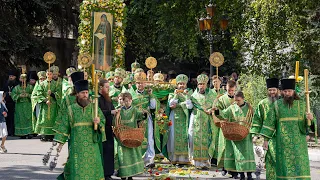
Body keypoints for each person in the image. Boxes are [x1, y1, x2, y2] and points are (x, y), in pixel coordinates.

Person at [260, 79, 313, 179]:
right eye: (285, 91)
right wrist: (265, 140)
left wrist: (310, 119)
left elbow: (308, 124)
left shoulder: (302, 104)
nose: (287, 93)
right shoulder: (277, 105)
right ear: (282, 92)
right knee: (284, 169)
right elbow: (269, 123)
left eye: (289, 91)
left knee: (300, 168)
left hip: (299, 144)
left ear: (293, 91)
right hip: (283, 144)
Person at [54, 79, 106, 180]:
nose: (85, 95)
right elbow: (64, 127)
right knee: (77, 171)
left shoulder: (94, 108)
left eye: (86, 93)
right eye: (83, 93)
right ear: (77, 94)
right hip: (77, 147)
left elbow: (103, 123)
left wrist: (99, 122)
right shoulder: (71, 110)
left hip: (92, 146)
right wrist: (60, 143)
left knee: (94, 171)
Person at [215, 91, 256, 180]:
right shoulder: (232, 107)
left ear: (243, 99)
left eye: (238, 100)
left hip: (246, 134)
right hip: (236, 133)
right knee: (238, 155)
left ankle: (249, 175)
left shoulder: (249, 108)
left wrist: (254, 133)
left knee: (248, 154)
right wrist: (217, 111)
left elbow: (254, 120)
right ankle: (241, 175)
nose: (236, 102)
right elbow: (224, 115)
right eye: (235, 100)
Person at [251, 78, 279, 180]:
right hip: (264, 135)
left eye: (274, 90)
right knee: (264, 159)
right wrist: (255, 135)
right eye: (270, 90)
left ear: (278, 90)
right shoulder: (262, 104)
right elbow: (257, 120)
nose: (272, 92)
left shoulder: (282, 103)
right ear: (267, 91)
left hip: (279, 136)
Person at [129, 72, 159, 167]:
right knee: (137, 139)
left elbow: (153, 106)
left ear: (145, 83)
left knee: (149, 138)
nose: (140, 85)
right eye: (138, 83)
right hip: (136, 119)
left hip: (147, 119)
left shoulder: (148, 93)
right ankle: (137, 160)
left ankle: (149, 159)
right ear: (135, 84)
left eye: (142, 83)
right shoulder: (131, 94)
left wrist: (151, 95)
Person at [114, 92, 146, 180]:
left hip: (133, 135)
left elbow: (140, 116)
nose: (127, 103)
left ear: (131, 100)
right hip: (122, 136)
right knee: (123, 156)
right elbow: (115, 121)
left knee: (132, 155)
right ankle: (123, 174)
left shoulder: (135, 110)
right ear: (122, 101)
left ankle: (131, 175)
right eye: (125, 101)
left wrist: (144, 114)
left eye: (129, 101)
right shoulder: (119, 110)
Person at [188, 74, 215, 169]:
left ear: (206, 84)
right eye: (200, 84)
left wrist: (211, 110)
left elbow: (216, 105)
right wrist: (188, 101)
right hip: (195, 118)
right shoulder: (193, 95)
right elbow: (189, 107)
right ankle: (196, 162)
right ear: (197, 84)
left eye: (203, 84)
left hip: (207, 120)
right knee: (194, 139)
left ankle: (206, 162)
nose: (201, 86)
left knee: (207, 140)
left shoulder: (212, 94)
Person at [166, 74, 193, 165]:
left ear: (186, 85)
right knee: (173, 136)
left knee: (185, 137)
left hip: (184, 117)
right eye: (180, 84)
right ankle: (174, 158)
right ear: (177, 85)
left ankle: (184, 159)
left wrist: (186, 97)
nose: (181, 85)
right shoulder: (171, 94)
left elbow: (189, 106)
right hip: (174, 117)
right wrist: (176, 95)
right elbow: (171, 105)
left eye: (183, 84)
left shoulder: (189, 94)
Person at [215, 80, 237, 176]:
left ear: (235, 89)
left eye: (232, 90)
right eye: (229, 90)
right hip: (225, 125)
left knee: (234, 148)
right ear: (226, 89)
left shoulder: (238, 98)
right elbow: (217, 110)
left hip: (235, 126)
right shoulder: (222, 99)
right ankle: (224, 167)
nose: (231, 92)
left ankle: (233, 169)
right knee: (224, 147)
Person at [32, 69, 61, 141]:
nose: (49, 75)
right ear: (46, 75)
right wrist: (45, 100)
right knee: (44, 119)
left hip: (53, 105)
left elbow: (59, 93)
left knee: (53, 119)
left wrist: (52, 94)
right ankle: (44, 134)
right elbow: (39, 93)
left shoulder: (56, 84)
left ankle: (52, 135)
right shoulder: (42, 84)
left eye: (51, 74)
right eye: (48, 74)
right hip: (45, 105)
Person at [98, 79, 118, 180]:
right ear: (101, 87)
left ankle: (109, 173)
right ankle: (103, 173)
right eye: (106, 87)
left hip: (109, 128)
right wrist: (110, 112)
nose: (108, 89)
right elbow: (98, 112)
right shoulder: (97, 99)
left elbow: (112, 109)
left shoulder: (107, 98)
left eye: (108, 87)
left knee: (110, 151)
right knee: (104, 151)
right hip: (101, 129)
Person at [11, 74, 34, 138]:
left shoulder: (30, 87)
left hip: (28, 105)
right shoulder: (16, 88)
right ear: (19, 79)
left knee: (29, 118)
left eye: (24, 78)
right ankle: (21, 133)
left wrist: (28, 95)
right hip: (19, 106)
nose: (23, 80)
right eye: (21, 78)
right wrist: (19, 96)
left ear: (26, 79)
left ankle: (30, 133)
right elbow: (13, 95)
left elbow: (34, 95)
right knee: (20, 119)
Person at [2, 70, 19, 136]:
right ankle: (7, 132)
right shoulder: (6, 83)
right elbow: (3, 91)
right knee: (7, 118)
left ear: (15, 77)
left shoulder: (17, 84)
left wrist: (13, 94)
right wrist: (6, 94)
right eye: (10, 76)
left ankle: (13, 132)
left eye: (12, 76)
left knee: (13, 118)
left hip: (14, 103)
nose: (11, 77)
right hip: (7, 103)